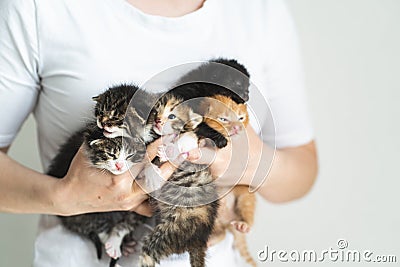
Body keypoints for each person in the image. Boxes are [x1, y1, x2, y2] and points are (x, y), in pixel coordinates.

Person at [0, 0, 318, 266]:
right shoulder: (38, 8)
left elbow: (303, 169)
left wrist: (253, 161)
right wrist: (64, 196)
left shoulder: (262, 11)